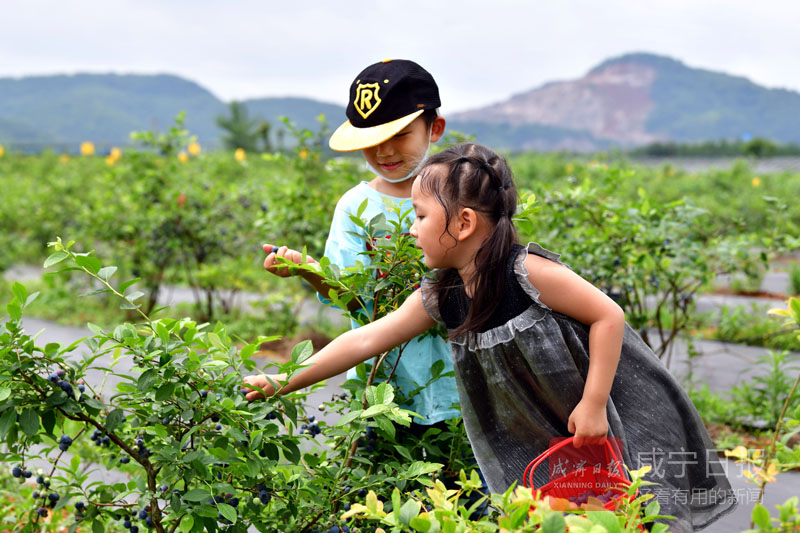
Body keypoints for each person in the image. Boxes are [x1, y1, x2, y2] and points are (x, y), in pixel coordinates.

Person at [246, 143, 737, 532]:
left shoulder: (529, 273)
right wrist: (284, 380)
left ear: (463, 223)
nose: (411, 229)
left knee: (629, 503)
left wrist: (593, 403)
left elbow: (608, 316)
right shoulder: (442, 295)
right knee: (556, 512)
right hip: (541, 428)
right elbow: (366, 339)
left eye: (420, 216)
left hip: (604, 409)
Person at [260, 59, 462, 431]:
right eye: (371, 140)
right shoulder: (356, 207)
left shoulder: (462, 193)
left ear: (434, 128)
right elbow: (354, 299)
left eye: (398, 135)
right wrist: (310, 273)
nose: (383, 151)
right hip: (384, 386)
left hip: (464, 383)